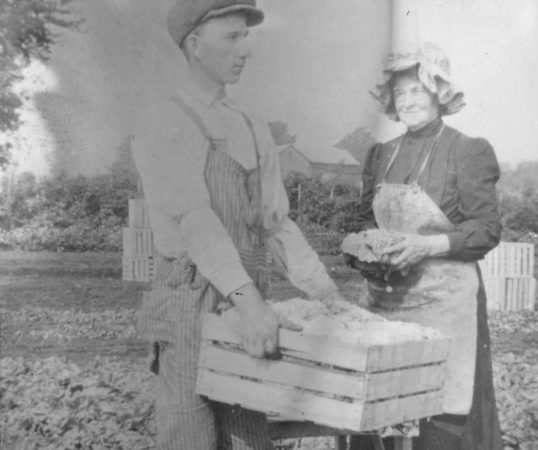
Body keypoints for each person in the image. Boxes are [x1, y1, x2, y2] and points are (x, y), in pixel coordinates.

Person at [131, 1, 345, 448]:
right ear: (194, 44)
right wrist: (249, 304)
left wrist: (328, 296)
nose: (245, 49)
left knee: (247, 434)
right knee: (193, 432)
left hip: (247, 298)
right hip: (191, 299)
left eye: (246, 36)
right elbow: (194, 219)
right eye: (231, 37)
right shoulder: (164, 118)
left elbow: (276, 224)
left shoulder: (252, 126)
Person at [349, 42, 503, 450]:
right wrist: (366, 249)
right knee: (375, 412)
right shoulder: (381, 154)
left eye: (417, 89)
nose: (408, 100)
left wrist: (424, 246)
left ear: (438, 92)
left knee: (442, 418)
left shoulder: (467, 150)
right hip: (386, 302)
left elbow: (486, 229)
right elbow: (365, 218)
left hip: (446, 306)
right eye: (400, 93)